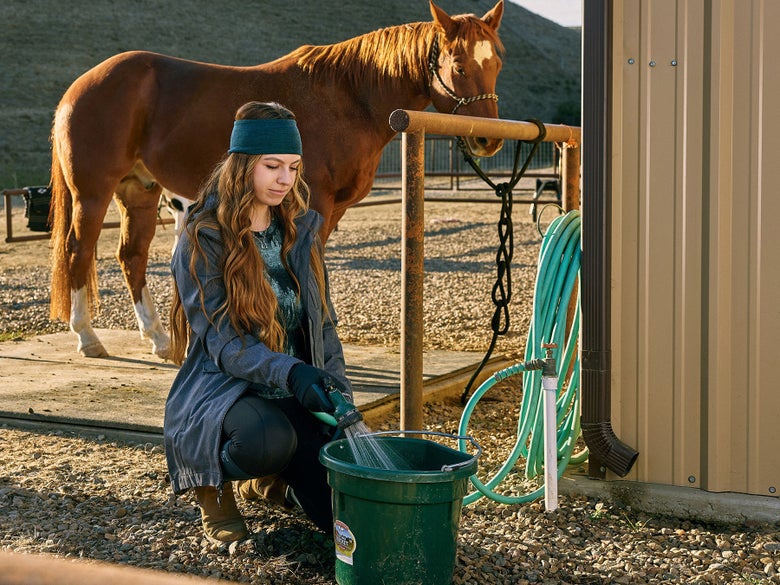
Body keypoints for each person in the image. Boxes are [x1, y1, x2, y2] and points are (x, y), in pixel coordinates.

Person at [164, 101, 352, 544]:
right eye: (272, 166)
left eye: (292, 167)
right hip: (226, 391)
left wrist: (338, 395)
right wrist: (292, 371)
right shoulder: (202, 238)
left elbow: (324, 326)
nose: (285, 180)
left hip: (293, 389)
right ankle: (211, 483)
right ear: (242, 165)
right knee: (265, 440)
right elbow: (226, 345)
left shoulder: (301, 231)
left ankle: (271, 478)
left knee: (346, 518)